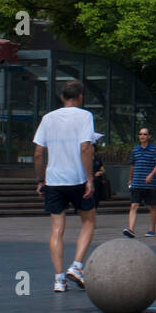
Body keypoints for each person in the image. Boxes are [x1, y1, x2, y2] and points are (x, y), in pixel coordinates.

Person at [33, 80, 97, 293]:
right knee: (88, 221)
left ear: (62, 97)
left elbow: (38, 152)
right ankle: (77, 265)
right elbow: (86, 148)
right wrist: (90, 179)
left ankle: (59, 279)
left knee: (57, 230)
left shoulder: (48, 118)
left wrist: (40, 180)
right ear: (80, 97)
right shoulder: (85, 116)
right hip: (77, 179)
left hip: (54, 180)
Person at [123, 125, 156, 238]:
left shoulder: (154, 149)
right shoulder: (135, 149)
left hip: (151, 184)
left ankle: (152, 230)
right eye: (140, 134)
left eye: (145, 134)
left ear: (149, 136)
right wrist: (130, 179)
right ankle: (131, 229)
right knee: (134, 205)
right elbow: (132, 165)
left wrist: (151, 174)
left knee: (152, 207)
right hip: (137, 182)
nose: (142, 136)